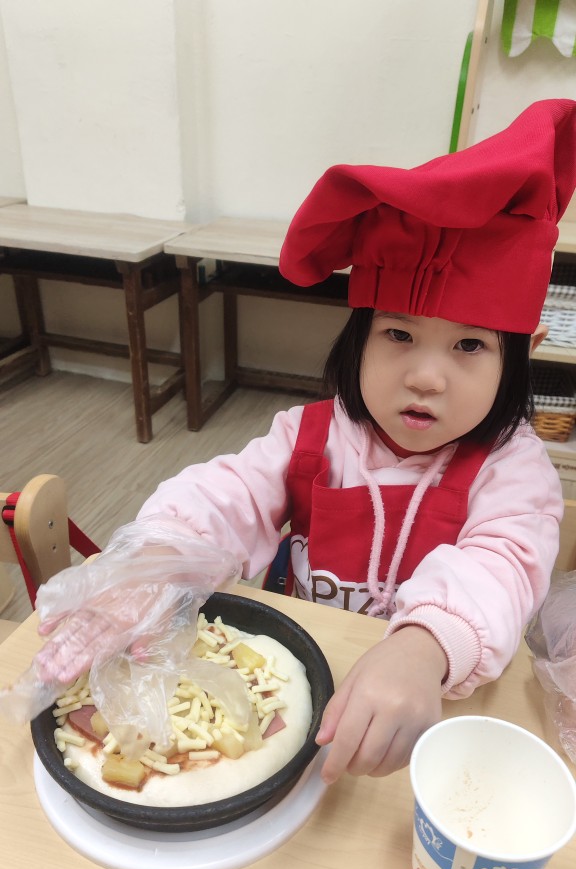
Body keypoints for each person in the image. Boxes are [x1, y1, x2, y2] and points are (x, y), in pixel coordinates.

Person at [31, 98, 576, 784]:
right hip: (291, 683)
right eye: (398, 334)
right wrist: (161, 558)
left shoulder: (514, 470)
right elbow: (229, 493)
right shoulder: (312, 435)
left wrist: (424, 647)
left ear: (523, 353)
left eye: (470, 345)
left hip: (423, 710)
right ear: (358, 337)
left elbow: (502, 564)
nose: (426, 377)